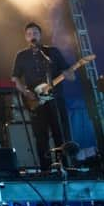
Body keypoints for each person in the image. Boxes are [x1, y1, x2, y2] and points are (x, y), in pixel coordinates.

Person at [11, 22, 75, 172]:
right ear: (26, 37)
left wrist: (69, 74)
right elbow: (15, 78)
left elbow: (71, 76)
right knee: (41, 137)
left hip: (56, 99)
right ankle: (45, 169)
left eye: (35, 33)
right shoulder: (22, 56)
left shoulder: (52, 52)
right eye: (29, 34)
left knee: (61, 134)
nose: (32, 36)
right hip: (36, 101)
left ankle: (65, 167)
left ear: (40, 35)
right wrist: (26, 92)